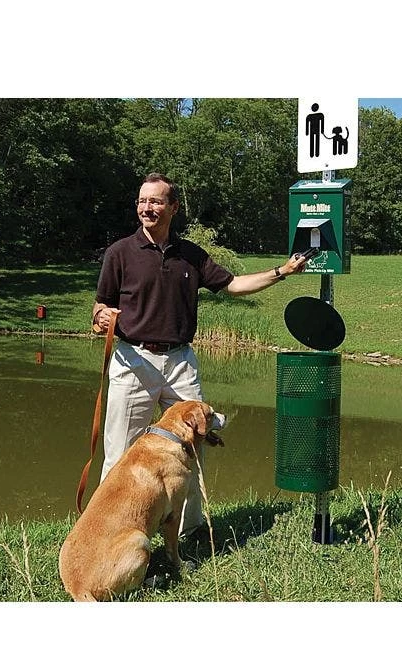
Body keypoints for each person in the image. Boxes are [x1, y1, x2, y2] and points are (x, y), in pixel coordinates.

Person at [92, 172, 307, 538]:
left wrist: (282, 271)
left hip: (180, 363)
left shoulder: (191, 255)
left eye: (156, 201)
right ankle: (107, 532)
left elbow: (234, 285)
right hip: (133, 361)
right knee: (121, 453)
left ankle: (187, 533)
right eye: (142, 201)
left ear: (173, 207)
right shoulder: (120, 253)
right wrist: (100, 318)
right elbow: (101, 306)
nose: (147, 207)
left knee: (192, 447)